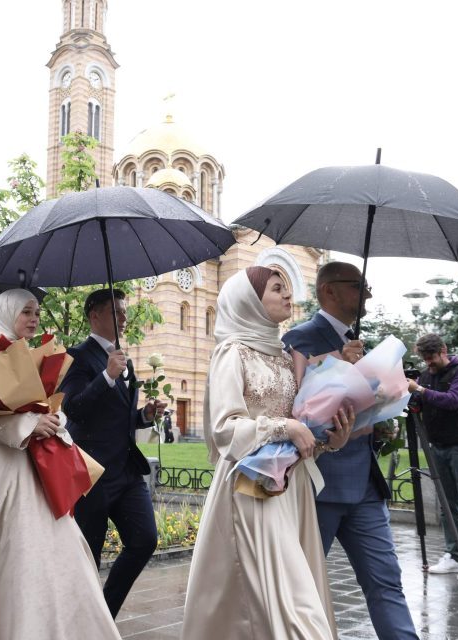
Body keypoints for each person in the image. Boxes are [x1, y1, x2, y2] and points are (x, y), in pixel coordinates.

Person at [0, 289, 120, 640]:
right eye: (26, 312)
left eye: (37, 312)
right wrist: (28, 425)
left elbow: (48, 404)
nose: (34, 318)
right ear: (7, 312)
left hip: (37, 466)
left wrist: (52, 419)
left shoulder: (35, 355)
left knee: (56, 547)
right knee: (3, 546)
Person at [182, 268, 352, 640]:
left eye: (288, 289)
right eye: (278, 289)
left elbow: (299, 426)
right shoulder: (232, 352)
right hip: (252, 491)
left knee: (272, 599)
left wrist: (329, 440)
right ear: (250, 301)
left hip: (292, 490)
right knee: (293, 607)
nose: (288, 296)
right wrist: (285, 427)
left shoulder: (284, 354)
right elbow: (224, 429)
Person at [282, 261, 418, 640]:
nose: (368, 294)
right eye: (359, 286)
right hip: (321, 486)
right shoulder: (299, 339)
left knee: (386, 581)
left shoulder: (359, 339)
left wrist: (382, 411)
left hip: (365, 488)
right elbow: (293, 408)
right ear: (329, 291)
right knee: (302, 588)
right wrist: (340, 366)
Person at [62, 288, 164, 618]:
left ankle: (103, 613)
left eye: (124, 311)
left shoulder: (124, 359)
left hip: (126, 471)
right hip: (92, 473)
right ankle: (78, 624)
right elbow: (74, 409)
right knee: (87, 554)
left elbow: (121, 420)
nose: (124, 317)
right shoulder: (77, 356)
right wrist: (107, 375)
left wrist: (144, 416)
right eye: (116, 312)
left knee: (144, 539)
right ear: (94, 315)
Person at [406, 333, 458, 582]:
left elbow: (452, 401)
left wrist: (420, 388)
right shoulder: (428, 374)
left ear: (443, 350)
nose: (428, 364)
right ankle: (452, 556)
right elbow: (423, 400)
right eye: (425, 359)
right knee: (447, 506)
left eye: (431, 358)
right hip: (437, 446)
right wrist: (414, 395)